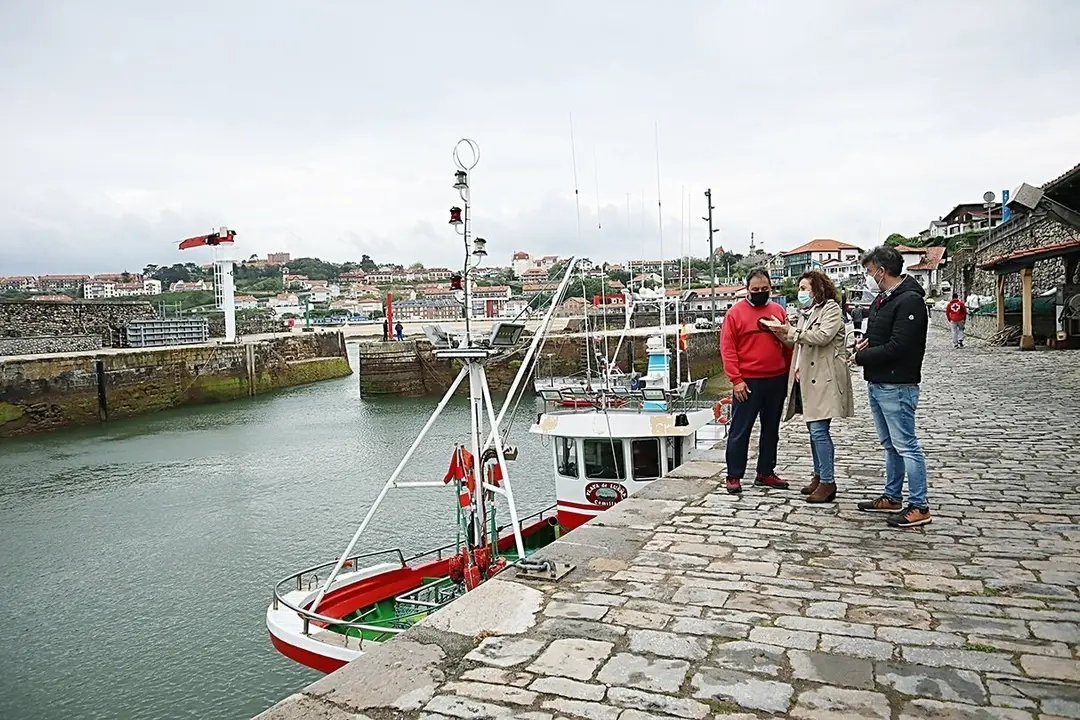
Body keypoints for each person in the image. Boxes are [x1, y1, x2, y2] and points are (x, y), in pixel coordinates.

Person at [851, 246, 931, 528]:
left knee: (906, 445)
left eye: (870, 271)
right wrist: (866, 344)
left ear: (882, 271)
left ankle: (920, 505)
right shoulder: (884, 300)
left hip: (897, 383)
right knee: (890, 445)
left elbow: (900, 346)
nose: (868, 276)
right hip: (878, 381)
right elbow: (880, 335)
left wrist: (861, 357)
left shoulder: (909, 301)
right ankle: (893, 495)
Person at [766, 270, 854, 504]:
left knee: (819, 431)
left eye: (804, 288)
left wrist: (791, 331)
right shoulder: (807, 313)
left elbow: (822, 336)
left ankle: (828, 481)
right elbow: (799, 341)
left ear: (817, 289)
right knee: (813, 431)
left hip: (824, 379)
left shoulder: (831, 310)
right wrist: (780, 332)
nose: (800, 293)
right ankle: (819, 475)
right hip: (808, 378)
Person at [719, 268, 792, 494]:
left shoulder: (778, 311)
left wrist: (789, 375)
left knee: (771, 429)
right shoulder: (735, 314)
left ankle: (765, 472)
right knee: (741, 430)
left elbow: (789, 344)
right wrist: (736, 380)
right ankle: (734, 475)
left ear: (771, 288)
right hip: (748, 382)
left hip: (776, 379)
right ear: (747, 289)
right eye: (756, 290)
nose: (760, 293)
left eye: (765, 289)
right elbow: (728, 349)